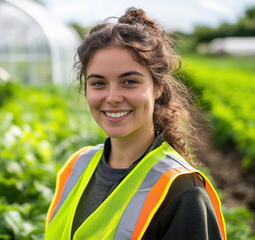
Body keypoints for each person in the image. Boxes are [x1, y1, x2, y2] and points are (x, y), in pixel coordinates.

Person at [45, 7, 226, 240]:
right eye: (98, 83)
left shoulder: (182, 192)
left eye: (129, 81)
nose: (112, 97)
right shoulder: (75, 167)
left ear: (158, 87)